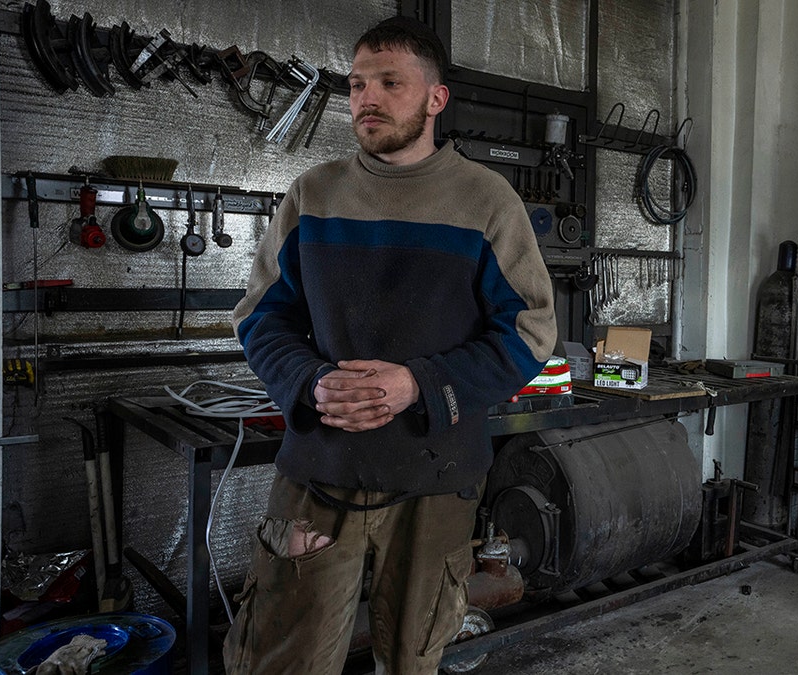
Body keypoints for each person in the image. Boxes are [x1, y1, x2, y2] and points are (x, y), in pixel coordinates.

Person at [224, 15, 557, 675]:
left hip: (435, 480)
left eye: (389, 83)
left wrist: (420, 385)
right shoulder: (312, 196)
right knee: (282, 657)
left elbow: (529, 328)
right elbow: (261, 315)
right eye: (356, 84)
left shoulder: (486, 202)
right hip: (319, 476)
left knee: (413, 656)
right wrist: (309, 382)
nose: (366, 99)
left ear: (436, 98)